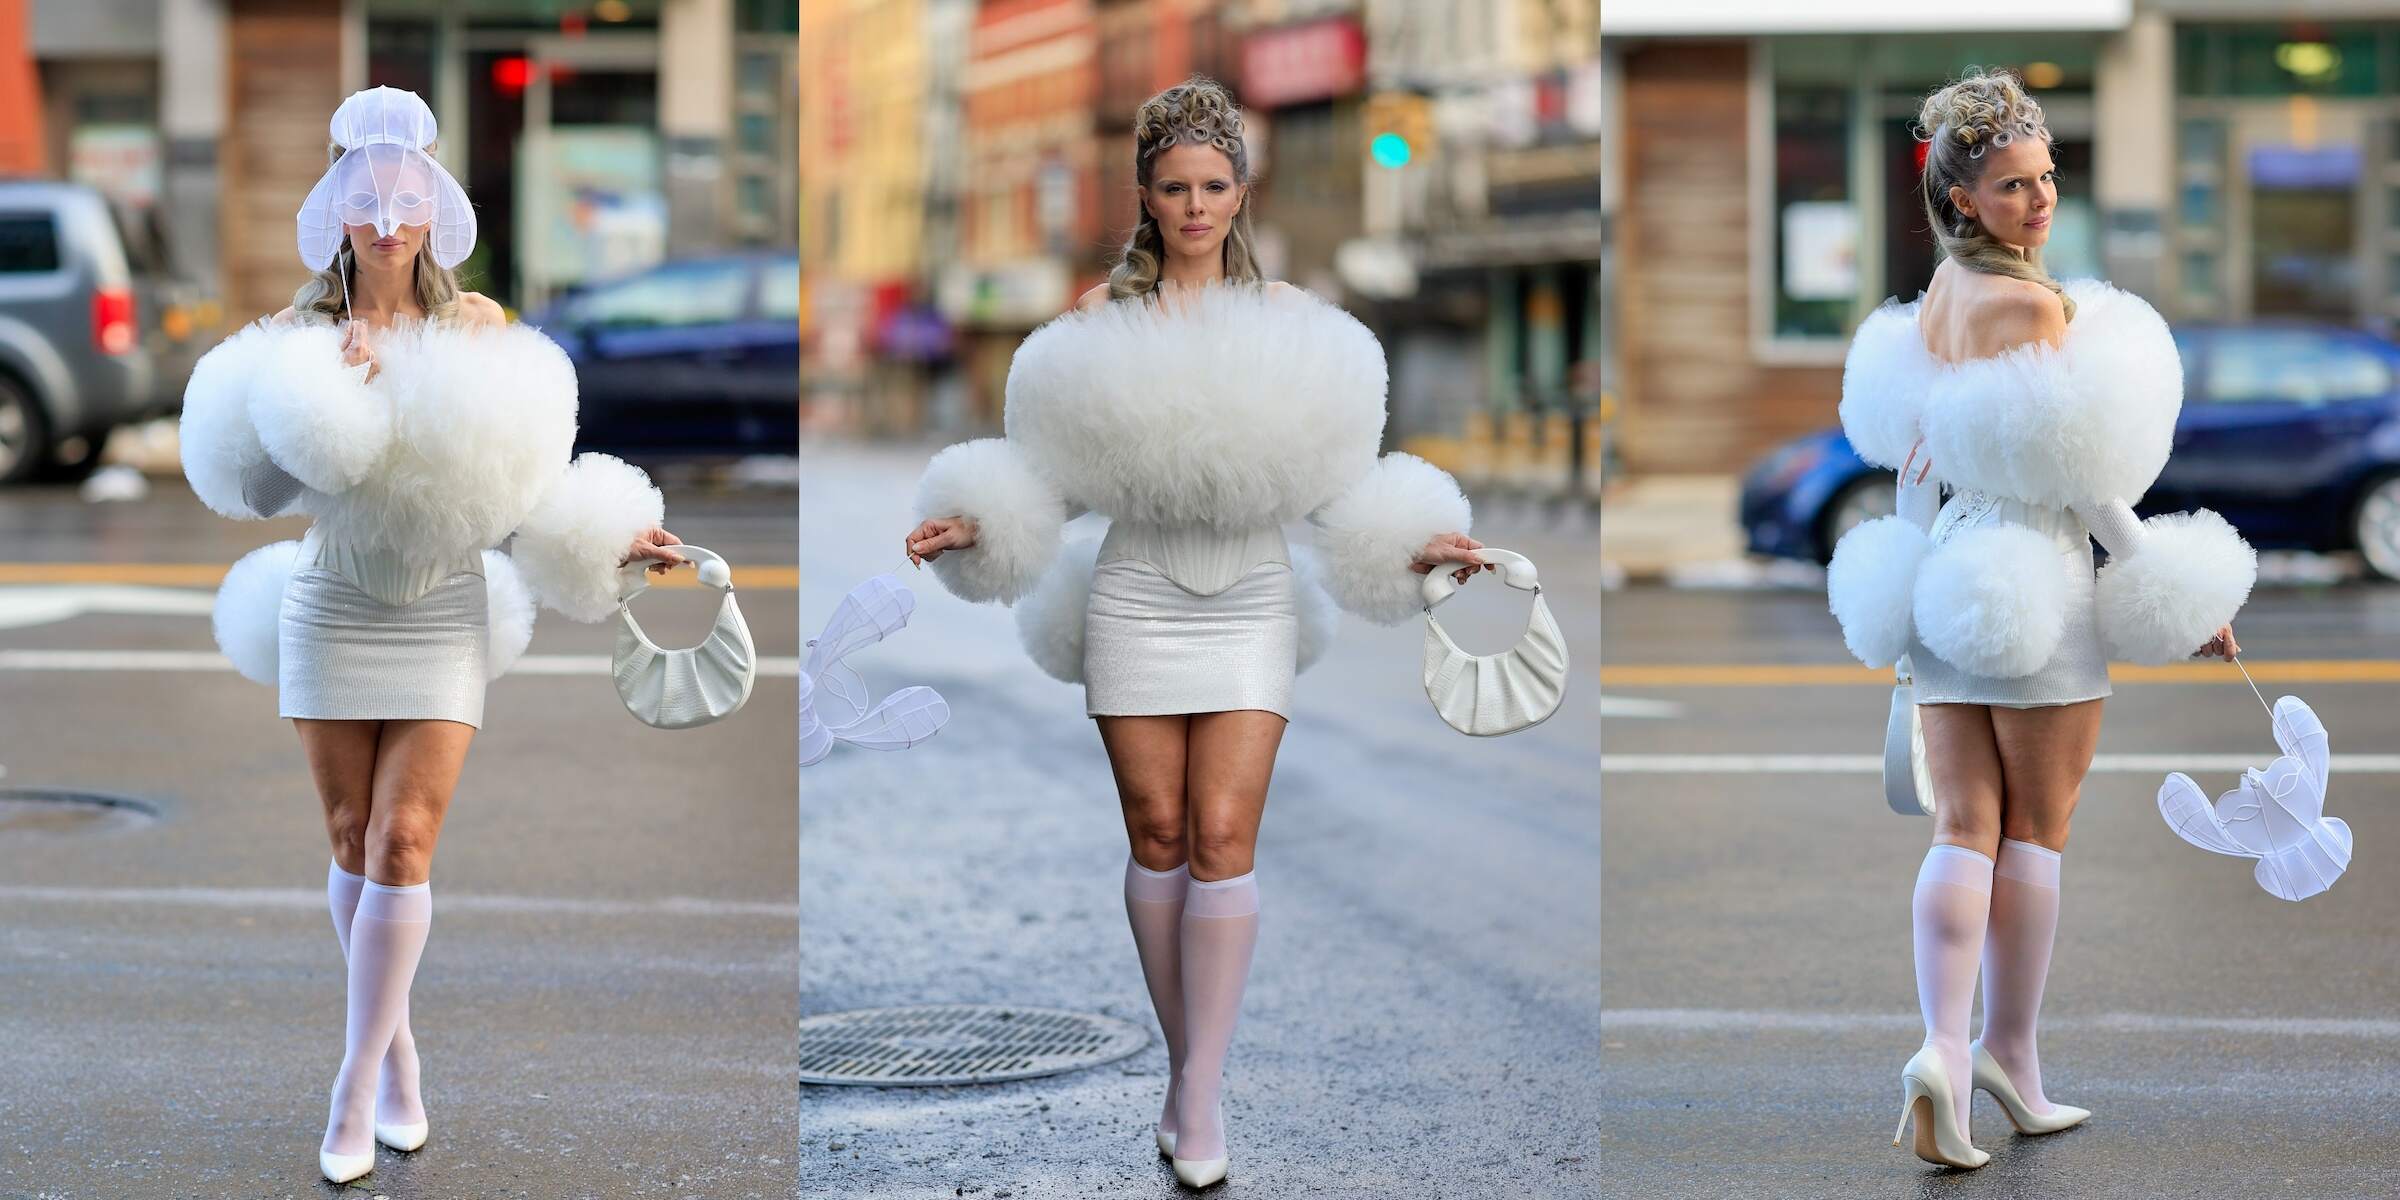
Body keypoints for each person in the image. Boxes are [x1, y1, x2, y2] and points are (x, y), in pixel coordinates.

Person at [899, 77, 1486, 1189]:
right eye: (1176, 186)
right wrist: (978, 521)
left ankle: (1199, 1092)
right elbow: (1057, 480)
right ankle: (1186, 1067)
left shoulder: (1298, 330)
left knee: (1224, 835)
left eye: (1215, 184)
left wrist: (1415, 542)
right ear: (1146, 195)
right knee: (1156, 827)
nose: (1198, 204)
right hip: (1133, 597)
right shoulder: (1095, 324)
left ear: (1242, 190)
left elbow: (1331, 487)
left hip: (1254, 599)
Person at [177, 86, 683, 1185]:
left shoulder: (480, 328)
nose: (390, 218)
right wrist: (318, 397)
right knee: (353, 834)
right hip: (331, 604)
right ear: (338, 206)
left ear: (438, 203)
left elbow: (525, 482)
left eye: (409, 194)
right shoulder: (295, 334)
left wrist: (615, 535)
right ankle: (398, 1057)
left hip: (443, 608)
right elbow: (254, 492)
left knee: (405, 841)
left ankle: (352, 1085)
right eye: (369, 195)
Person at [1824, 69, 2258, 1170]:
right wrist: (2174, 585)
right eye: (2015, 186)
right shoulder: (2033, 304)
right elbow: (2080, 475)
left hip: (1945, 585)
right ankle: (2005, 1054)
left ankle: (1939, 1048)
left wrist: (1911, 584)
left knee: (1961, 824)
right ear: (1964, 198)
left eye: (2049, 178)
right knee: (2036, 831)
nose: (2042, 200)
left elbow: (1917, 477)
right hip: (2039, 589)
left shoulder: (1933, 302)